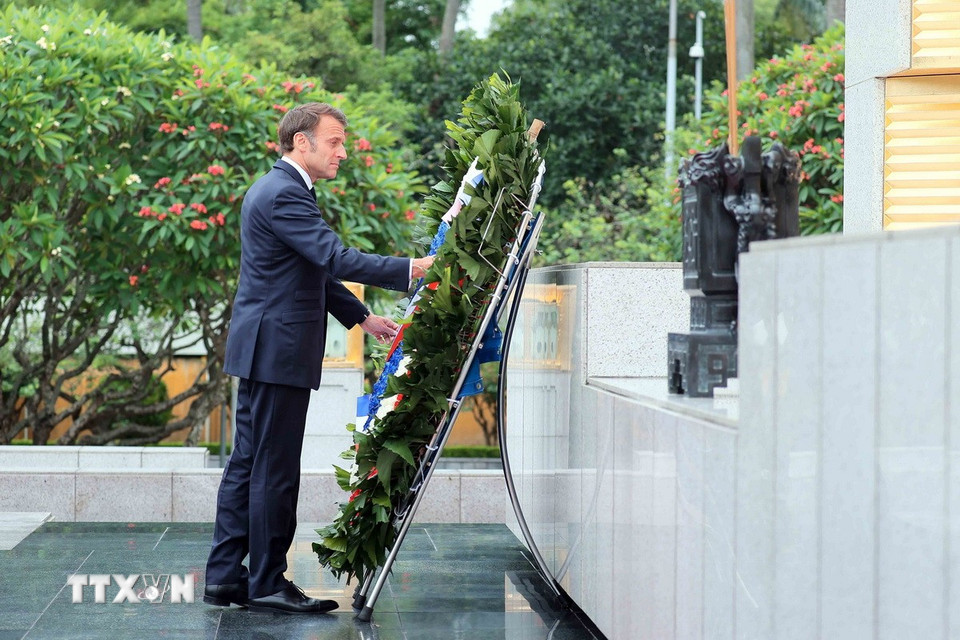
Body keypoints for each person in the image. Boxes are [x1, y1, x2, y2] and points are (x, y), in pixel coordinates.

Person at [203, 102, 433, 614]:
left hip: (266, 349)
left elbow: (313, 272)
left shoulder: (281, 189)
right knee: (273, 469)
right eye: (334, 142)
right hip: (276, 350)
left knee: (249, 462)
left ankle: (225, 577)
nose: (343, 152)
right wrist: (413, 267)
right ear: (300, 142)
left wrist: (362, 318)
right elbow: (335, 257)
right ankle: (265, 581)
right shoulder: (285, 193)